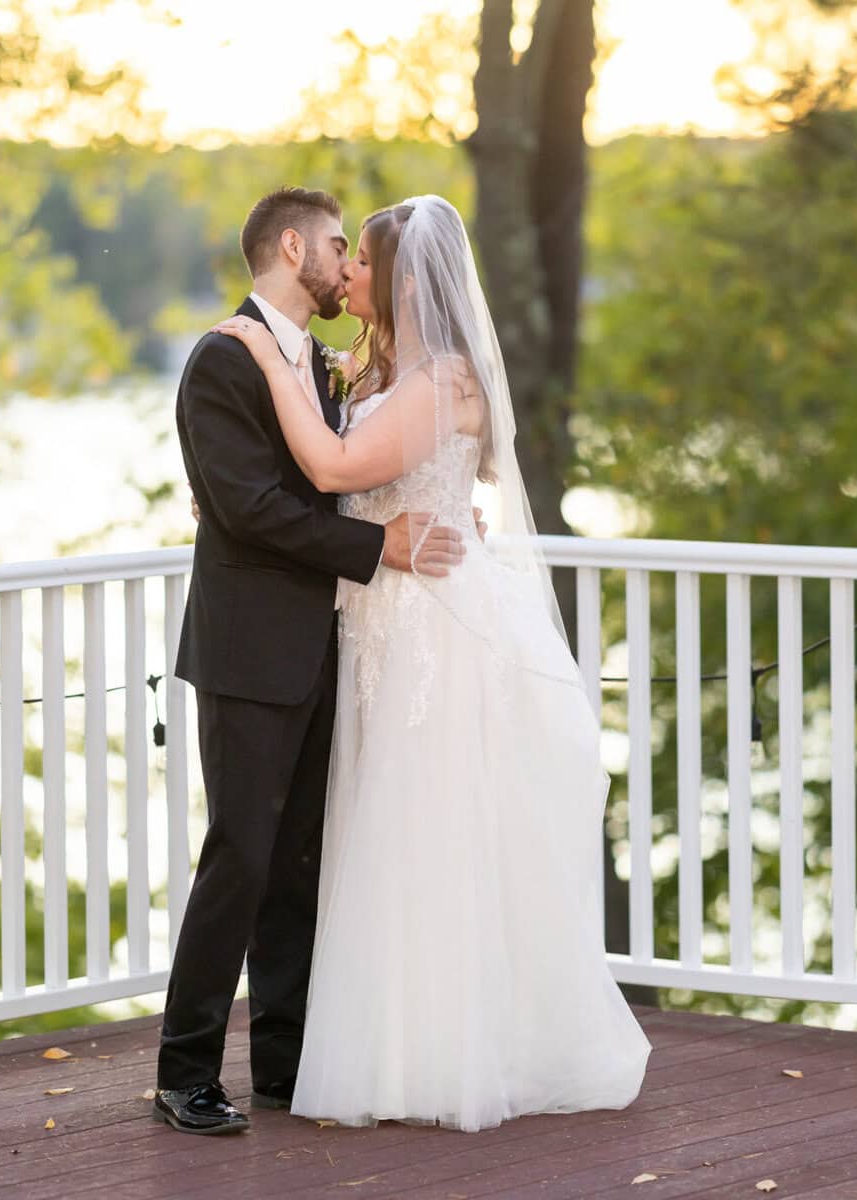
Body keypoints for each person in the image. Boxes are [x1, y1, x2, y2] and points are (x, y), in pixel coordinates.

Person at [210, 194, 649, 1133]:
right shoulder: (381, 369)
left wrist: (260, 352)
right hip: (373, 624)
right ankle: (389, 1044)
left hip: (425, 630)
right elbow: (366, 479)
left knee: (424, 828)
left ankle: (443, 1055)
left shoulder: (443, 379)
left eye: (359, 261)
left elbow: (331, 468)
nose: (347, 274)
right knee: (376, 836)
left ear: (401, 278)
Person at [155, 187, 468, 1136]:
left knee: (300, 865)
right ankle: (185, 1073)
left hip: (333, 642)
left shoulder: (329, 367)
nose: (346, 263)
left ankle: (285, 1067)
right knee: (240, 857)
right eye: (338, 247)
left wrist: (440, 512)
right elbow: (248, 508)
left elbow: (349, 475)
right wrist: (382, 550)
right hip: (251, 649)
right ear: (293, 250)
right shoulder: (222, 358)